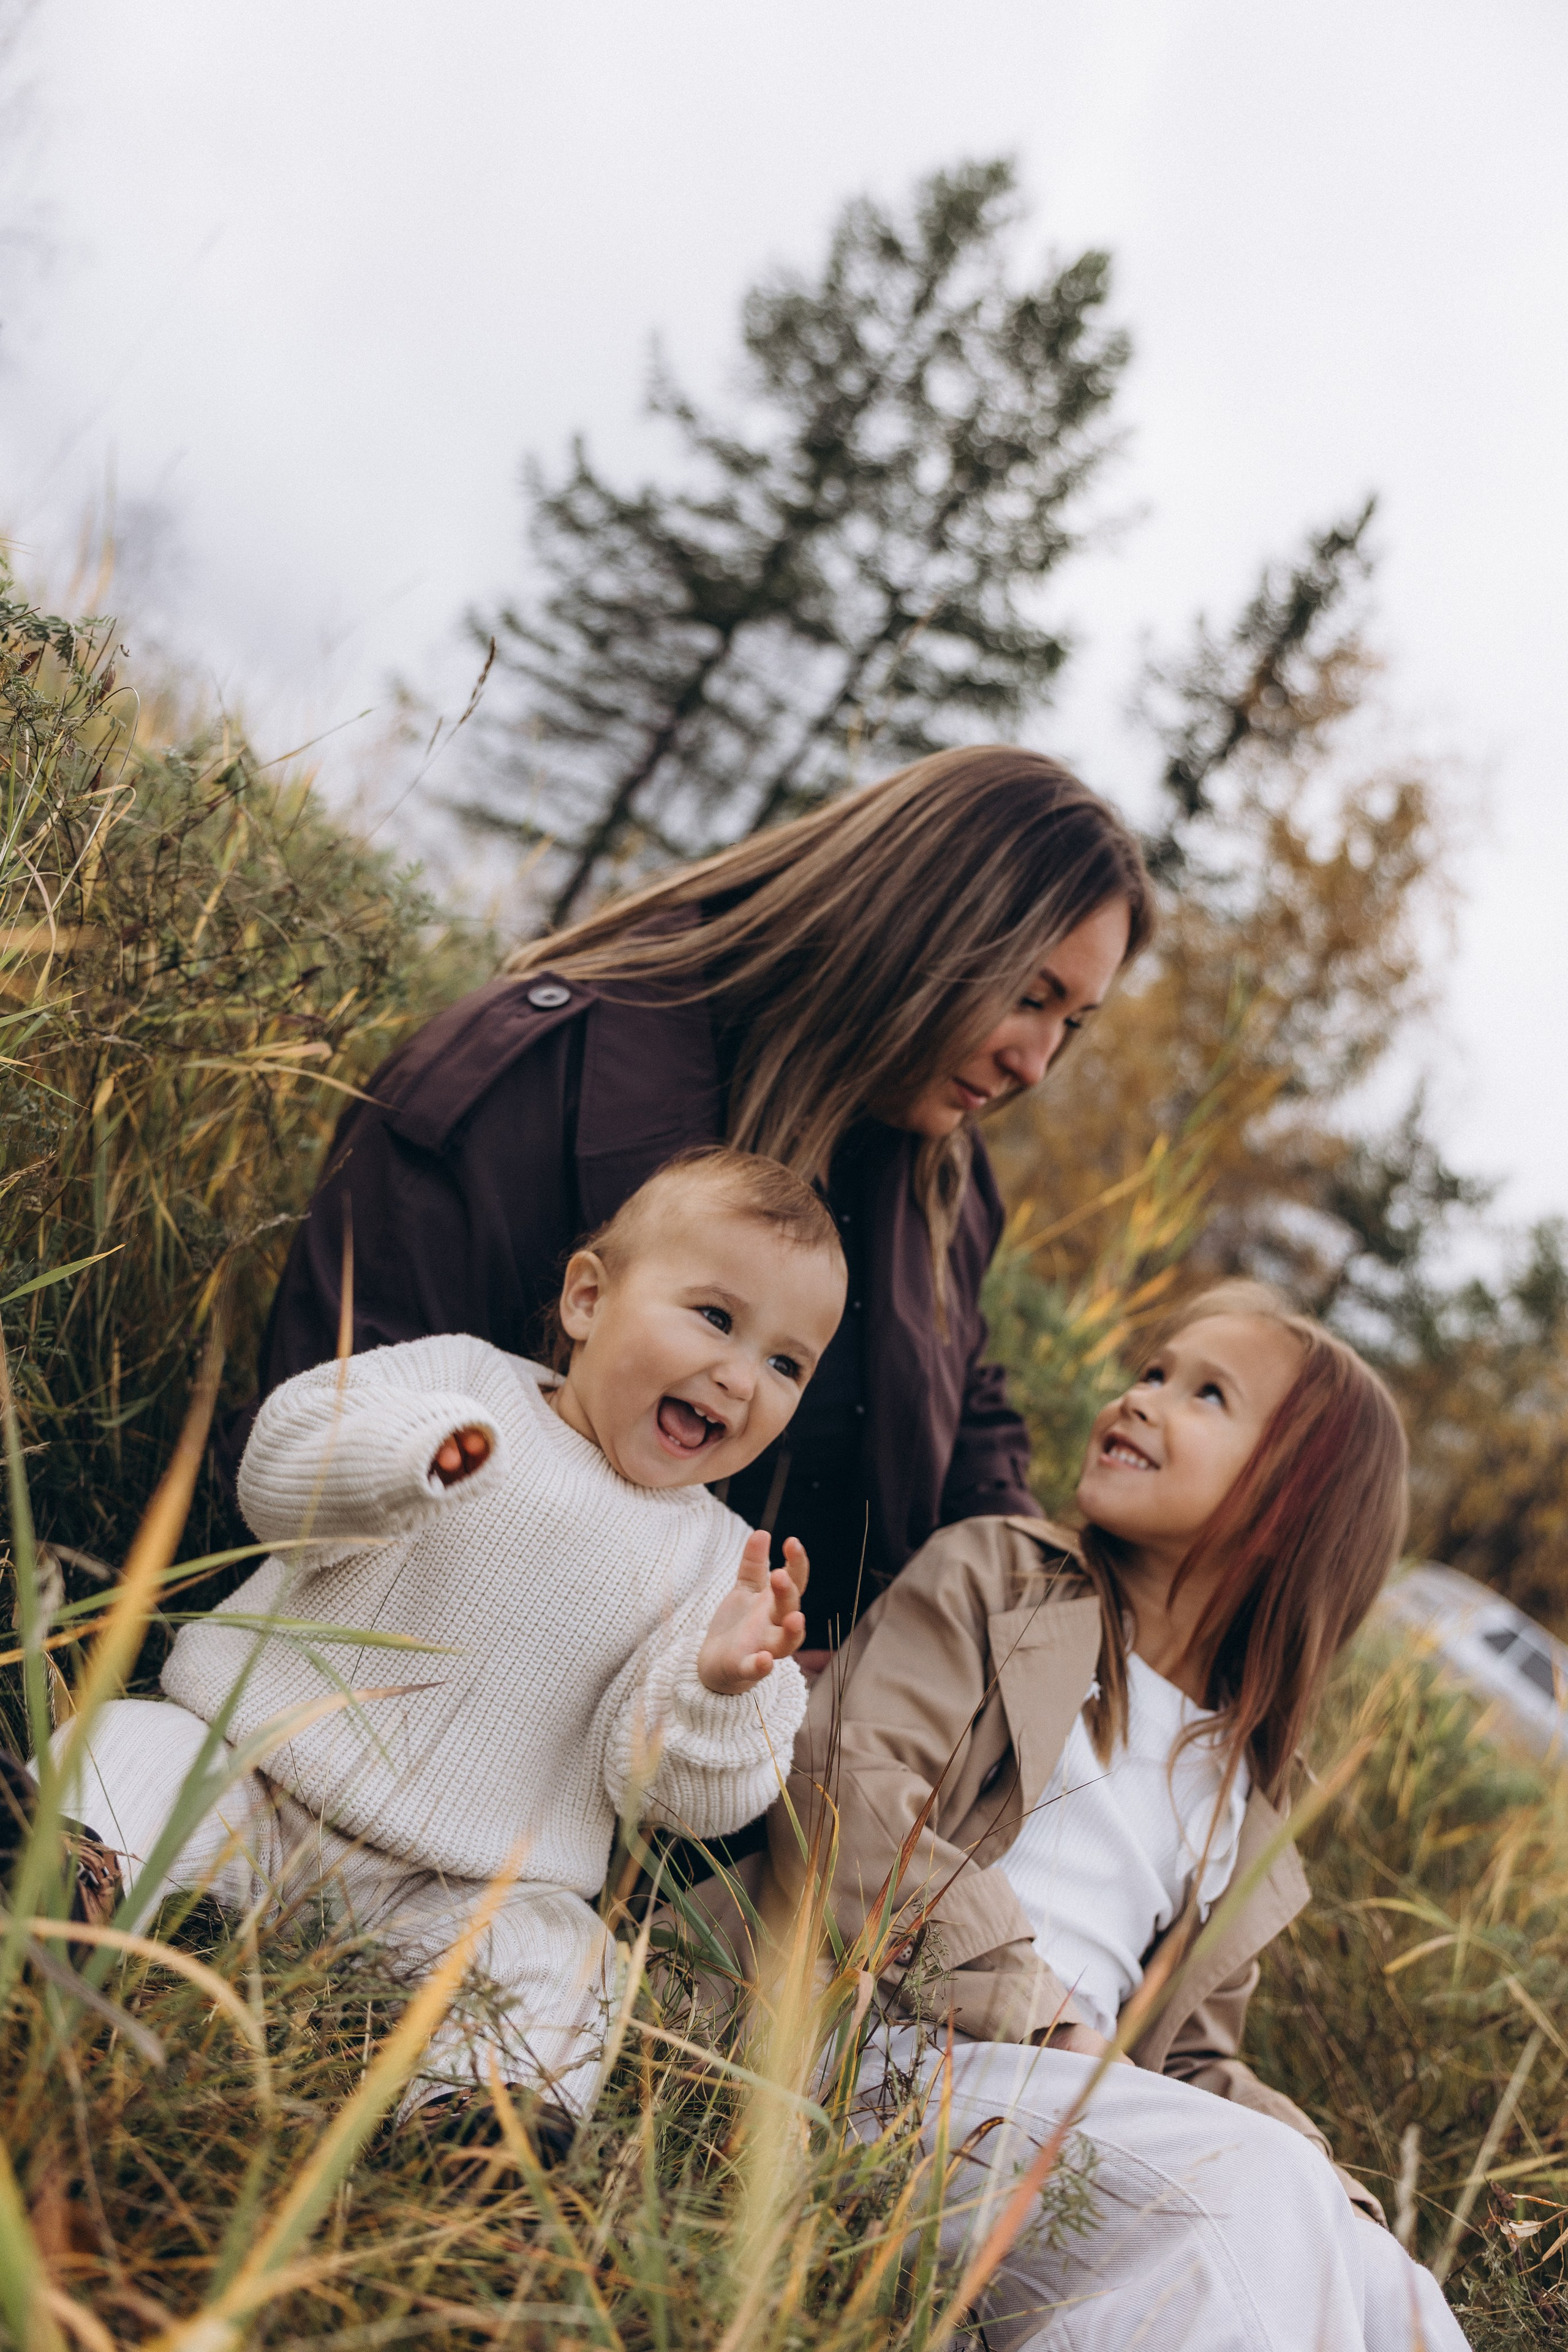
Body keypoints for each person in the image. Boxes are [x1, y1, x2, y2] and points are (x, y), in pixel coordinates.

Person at [244, 747, 1153, 1656]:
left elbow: (963, 1398)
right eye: (1029, 998)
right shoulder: (535, 1078)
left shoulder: (942, 1168)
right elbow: (328, 1444)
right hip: (455, 1712)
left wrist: (1048, 1617)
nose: (1036, 1064)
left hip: (792, 1744)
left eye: (1071, 1023)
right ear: (915, 931)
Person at [37, 1149, 843, 2132]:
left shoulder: (721, 1560)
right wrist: (397, 1458)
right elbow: (279, 1467)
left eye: (786, 1363)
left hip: (462, 1891)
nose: (738, 1375)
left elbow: (677, 1797)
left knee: (568, 1959)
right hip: (253, 1774)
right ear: (588, 1299)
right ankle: (65, 1882)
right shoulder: (465, 1381)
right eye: (715, 1318)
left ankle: (485, 2119)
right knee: (129, 1749)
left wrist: (722, 1687)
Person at [753, 1280, 1468, 2350]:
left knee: (1397, 2297)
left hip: (1083, 2100)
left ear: (1290, 1511)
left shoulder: (1243, 1782)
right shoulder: (998, 1576)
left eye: (1206, 1394)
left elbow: (1187, 2064)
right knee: (1244, 2187)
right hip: (888, 2045)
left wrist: (1326, 2184)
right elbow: (849, 1790)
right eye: (1152, 1371)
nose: (1141, 1398)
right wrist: (1049, 2020)